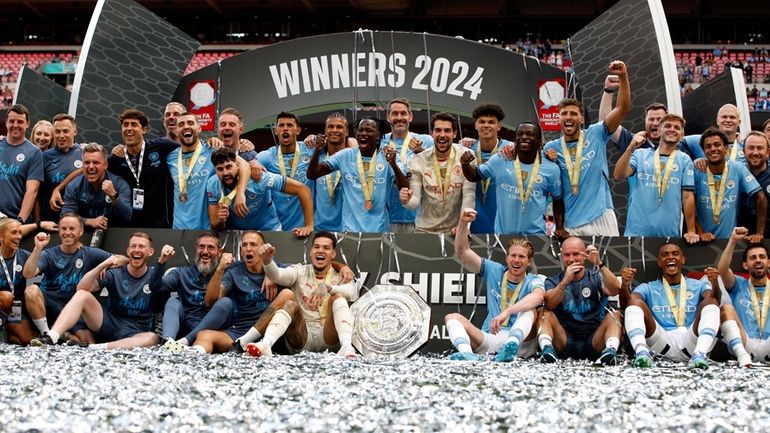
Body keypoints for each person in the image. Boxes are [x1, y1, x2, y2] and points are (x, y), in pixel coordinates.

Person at [30, 233, 173, 349]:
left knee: (152, 338)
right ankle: (51, 336)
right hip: (109, 324)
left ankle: (95, 348)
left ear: (150, 252)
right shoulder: (115, 272)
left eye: (141, 246)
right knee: (82, 295)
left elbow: (159, 286)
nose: (137, 249)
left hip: (136, 331)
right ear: (128, 251)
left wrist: (162, 260)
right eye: (133, 246)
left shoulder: (155, 275)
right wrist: (102, 265)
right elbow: (81, 288)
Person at [542, 61, 631, 236]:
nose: (569, 117)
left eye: (574, 113)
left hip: (602, 215)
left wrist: (623, 76)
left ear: (581, 119)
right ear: (558, 119)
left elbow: (622, 108)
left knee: (609, 261)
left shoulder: (596, 133)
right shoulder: (551, 148)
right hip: (571, 222)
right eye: (564, 114)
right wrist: (550, 162)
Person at [445, 208, 545, 362]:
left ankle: (510, 346)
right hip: (491, 337)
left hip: (520, 342)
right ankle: (468, 354)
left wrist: (507, 312)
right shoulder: (494, 270)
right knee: (452, 317)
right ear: (507, 258)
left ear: (529, 261)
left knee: (530, 309)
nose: (516, 260)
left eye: (522, 257)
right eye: (513, 255)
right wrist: (463, 222)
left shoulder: (534, 279)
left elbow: (538, 297)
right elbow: (462, 251)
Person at [246, 231, 358, 358]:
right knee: (289, 303)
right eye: (316, 247)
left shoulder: (342, 274)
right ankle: (266, 344)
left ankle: (346, 346)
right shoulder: (299, 270)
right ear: (310, 252)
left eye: (326, 248)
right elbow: (277, 275)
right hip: (302, 335)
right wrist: (267, 261)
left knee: (338, 296)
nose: (320, 250)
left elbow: (351, 292)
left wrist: (328, 288)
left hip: (329, 336)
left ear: (333, 254)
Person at [22, 213, 123, 343]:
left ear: (80, 231)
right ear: (59, 231)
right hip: (49, 306)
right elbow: (28, 274)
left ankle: (64, 335)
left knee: (88, 341)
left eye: (72, 228)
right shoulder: (49, 253)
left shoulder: (89, 253)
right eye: (63, 229)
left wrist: (108, 263)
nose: (67, 232)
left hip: (72, 309)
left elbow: (124, 259)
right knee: (31, 291)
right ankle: (46, 334)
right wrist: (38, 248)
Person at [624, 242, 720, 368]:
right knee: (634, 302)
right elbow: (627, 303)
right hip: (661, 341)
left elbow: (715, 301)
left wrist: (715, 284)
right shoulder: (648, 287)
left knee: (711, 302)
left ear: (683, 259)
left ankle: (700, 354)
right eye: (665, 255)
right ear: (659, 262)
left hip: (691, 341)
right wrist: (624, 285)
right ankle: (642, 352)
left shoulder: (698, 285)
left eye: (675, 254)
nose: (670, 257)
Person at [306, 118, 409, 232]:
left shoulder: (388, 157)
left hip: (379, 230)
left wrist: (393, 165)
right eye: (360, 130)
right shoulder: (345, 155)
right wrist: (317, 150)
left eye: (369, 130)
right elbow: (312, 174)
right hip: (349, 231)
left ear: (378, 135)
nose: (363, 133)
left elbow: (404, 187)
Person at [462, 121, 564, 235]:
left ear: (539, 140)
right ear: (515, 139)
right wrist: (465, 164)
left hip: (536, 236)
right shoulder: (501, 158)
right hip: (503, 236)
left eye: (530, 134)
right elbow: (474, 175)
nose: (524, 137)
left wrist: (560, 227)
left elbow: (558, 199)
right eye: (520, 134)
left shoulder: (551, 168)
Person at [537, 237, 623, 364]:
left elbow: (615, 289)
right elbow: (550, 304)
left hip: (594, 340)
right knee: (544, 312)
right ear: (562, 256)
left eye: (576, 254)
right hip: (565, 340)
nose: (571, 259)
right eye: (567, 255)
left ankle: (610, 352)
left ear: (585, 255)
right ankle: (547, 350)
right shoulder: (553, 281)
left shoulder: (595, 276)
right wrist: (565, 282)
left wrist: (599, 263)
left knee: (615, 314)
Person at [614, 114, 698, 242]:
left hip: (669, 233)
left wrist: (691, 230)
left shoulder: (685, 160)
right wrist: (630, 147)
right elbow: (619, 175)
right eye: (668, 126)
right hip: (636, 232)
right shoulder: (640, 154)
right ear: (659, 130)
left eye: (677, 127)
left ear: (682, 134)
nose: (672, 129)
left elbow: (687, 197)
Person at [190, 231, 276, 354]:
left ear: (263, 249)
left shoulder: (276, 269)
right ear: (240, 251)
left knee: (287, 295)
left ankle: (252, 342)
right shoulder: (234, 270)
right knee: (204, 335)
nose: (248, 249)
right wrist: (220, 269)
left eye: (253, 244)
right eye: (244, 245)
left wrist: (272, 273)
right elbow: (210, 301)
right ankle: (194, 357)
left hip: (270, 333)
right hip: (240, 332)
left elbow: (295, 271)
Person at [168, 112, 251, 230]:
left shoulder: (213, 150)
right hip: (178, 228)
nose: (186, 126)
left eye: (190, 123)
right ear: (176, 131)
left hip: (208, 229)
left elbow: (244, 166)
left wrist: (240, 193)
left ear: (199, 128)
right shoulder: (169, 157)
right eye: (181, 124)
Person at [207, 147, 313, 235]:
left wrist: (309, 225)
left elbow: (302, 189)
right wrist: (221, 220)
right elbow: (215, 224)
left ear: (237, 165)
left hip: (268, 229)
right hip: (238, 232)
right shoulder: (213, 184)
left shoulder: (259, 179)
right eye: (220, 169)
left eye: (229, 167)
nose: (225, 173)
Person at [399, 112, 475, 234]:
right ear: (432, 133)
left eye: (447, 130)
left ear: (454, 133)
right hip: (424, 230)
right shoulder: (418, 160)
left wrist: (463, 226)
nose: (442, 135)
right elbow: (414, 203)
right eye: (438, 130)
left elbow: (469, 196)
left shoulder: (466, 156)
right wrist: (406, 200)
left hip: (455, 230)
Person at [159, 231, 235, 352]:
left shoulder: (229, 272)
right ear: (196, 249)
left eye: (210, 247)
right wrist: (161, 262)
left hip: (212, 333)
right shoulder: (181, 272)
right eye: (201, 247)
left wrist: (269, 275)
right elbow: (157, 287)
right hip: (185, 327)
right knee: (173, 301)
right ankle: (168, 342)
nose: (205, 252)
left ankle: (184, 342)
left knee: (226, 303)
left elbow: (254, 267)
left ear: (220, 252)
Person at [107, 109, 179, 228]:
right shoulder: (115, 159)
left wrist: (210, 143)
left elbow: (188, 148)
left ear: (144, 129)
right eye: (125, 125)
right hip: (127, 227)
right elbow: (90, 166)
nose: (129, 128)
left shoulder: (161, 146)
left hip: (159, 225)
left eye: (134, 124)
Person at [693, 128, 764, 241]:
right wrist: (700, 231)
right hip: (702, 240)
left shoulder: (737, 168)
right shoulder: (696, 170)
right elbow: (685, 202)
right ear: (703, 150)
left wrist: (759, 233)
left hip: (730, 240)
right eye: (708, 146)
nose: (713, 149)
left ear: (726, 148)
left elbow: (761, 197)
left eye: (717, 145)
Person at [715, 227, 770, 367]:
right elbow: (722, 269)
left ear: (768, 263)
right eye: (753, 258)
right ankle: (742, 355)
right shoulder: (738, 284)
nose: (758, 260)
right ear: (745, 265)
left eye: (762, 257)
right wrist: (733, 240)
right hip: (744, 343)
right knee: (726, 308)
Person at [256, 112, 316, 231]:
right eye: (281, 125)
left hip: (306, 226)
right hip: (277, 226)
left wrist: (316, 137)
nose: (285, 129)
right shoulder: (267, 156)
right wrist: (251, 158)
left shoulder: (310, 150)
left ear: (298, 130)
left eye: (289, 125)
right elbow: (244, 167)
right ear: (275, 131)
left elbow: (338, 144)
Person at [382, 98, 434, 232]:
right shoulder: (380, 141)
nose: (399, 118)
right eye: (395, 114)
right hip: (386, 219)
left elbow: (441, 166)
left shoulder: (425, 141)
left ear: (410, 116)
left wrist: (420, 152)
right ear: (388, 117)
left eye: (403, 113)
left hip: (419, 218)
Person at [464, 103, 512, 234]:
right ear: (475, 125)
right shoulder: (466, 150)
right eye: (482, 122)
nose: (486, 125)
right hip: (474, 222)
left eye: (491, 122)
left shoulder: (511, 150)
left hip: (504, 223)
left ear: (499, 126)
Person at [61, 143, 132, 230]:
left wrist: (113, 196)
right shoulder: (74, 186)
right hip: (83, 234)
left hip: (114, 234)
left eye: (96, 162)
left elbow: (127, 216)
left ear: (105, 165)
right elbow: (65, 216)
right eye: (86, 162)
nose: (91, 166)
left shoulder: (119, 184)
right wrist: (89, 221)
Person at [0, 104, 43, 223]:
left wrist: (20, 221)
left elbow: (32, 191)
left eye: (20, 121)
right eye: (12, 121)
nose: (15, 125)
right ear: (6, 123)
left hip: (13, 221)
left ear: (27, 123)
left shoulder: (34, 153)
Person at [0, 218, 37, 345]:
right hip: (3, 302)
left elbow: (47, 263)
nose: (19, 237)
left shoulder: (25, 256)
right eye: (14, 232)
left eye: (20, 232)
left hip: (15, 310)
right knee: (6, 296)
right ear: (1, 236)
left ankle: (7, 335)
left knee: (27, 340)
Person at [40, 113, 82, 222]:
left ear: (75, 132)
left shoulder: (84, 154)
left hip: (78, 220)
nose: (61, 135)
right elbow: (37, 194)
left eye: (66, 131)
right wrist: (38, 221)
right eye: (57, 131)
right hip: (50, 221)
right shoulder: (45, 156)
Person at [313, 113, 349, 232]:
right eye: (330, 126)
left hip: (347, 229)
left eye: (339, 127)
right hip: (319, 228)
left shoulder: (353, 158)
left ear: (346, 132)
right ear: (325, 131)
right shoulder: (315, 158)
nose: (334, 130)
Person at [738, 131, 770, 240]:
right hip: (741, 240)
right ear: (743, 151)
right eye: (751, 148)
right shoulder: (735, 174)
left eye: (760, 148)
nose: (755, 152)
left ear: (768, 152)